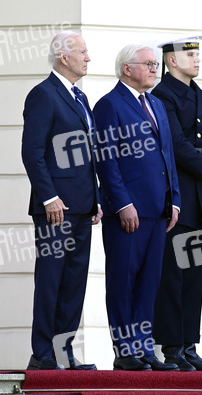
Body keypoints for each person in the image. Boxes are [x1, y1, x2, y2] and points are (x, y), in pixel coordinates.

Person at [93, 44, 181, 371]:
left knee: (149, 283)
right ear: (127, 68)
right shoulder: (109, 105)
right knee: (123, 281)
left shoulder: (156, 104)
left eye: (156, 64)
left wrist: (175, 200)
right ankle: (124, 350)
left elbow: (166, 156)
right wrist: (122, 202)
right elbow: (106, 159)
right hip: (127, 212)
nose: (155, 69)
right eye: (148, 64)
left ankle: (144, 348)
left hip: (159, 210)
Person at [151, 35, 202, 371]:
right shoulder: (163, 95)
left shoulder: (200, 95)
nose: (196, 59)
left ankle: (188, 346)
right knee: (174, 277)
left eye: (199, 54)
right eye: (190, 54)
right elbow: (177, 145)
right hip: (179, 197)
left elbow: (199, 142)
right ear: (171, 60)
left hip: (201, 199)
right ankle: (172, 348)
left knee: (195, 275)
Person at [22, 31, 102, 370]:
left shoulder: (80, 97)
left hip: (83, 206)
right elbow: (33, 152)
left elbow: (89, 156)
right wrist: (49, 197)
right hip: (55, 208)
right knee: (52, 280)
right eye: (82, 52)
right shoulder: (43, 94)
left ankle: (63, 352)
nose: (88, 58)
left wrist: (97, 197)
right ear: (62, 56)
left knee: (74, 283)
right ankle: (42, 354)